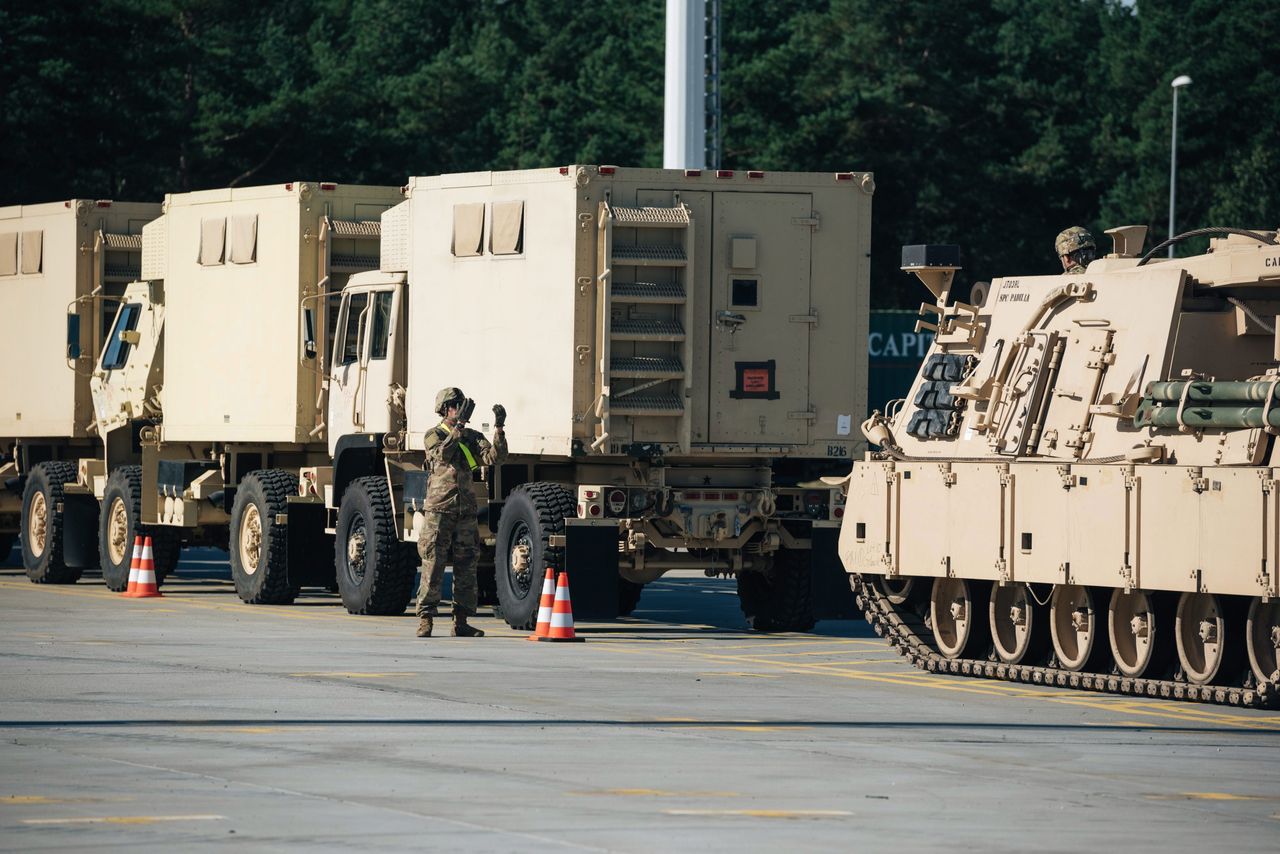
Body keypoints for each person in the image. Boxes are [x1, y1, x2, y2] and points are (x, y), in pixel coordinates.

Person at [415, 387, 508, 638]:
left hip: (465, 511)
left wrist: (499, 428)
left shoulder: (471, 436)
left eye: (462, 404)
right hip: (439, 510)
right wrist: (458, 427)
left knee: (467, 567)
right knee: (433, 564)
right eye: (456, 405)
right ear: (446, 410)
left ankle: (462, 621)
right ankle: (426, 619)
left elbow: (495, 457)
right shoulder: (433, 434)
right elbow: (443, 453)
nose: (459, 408)